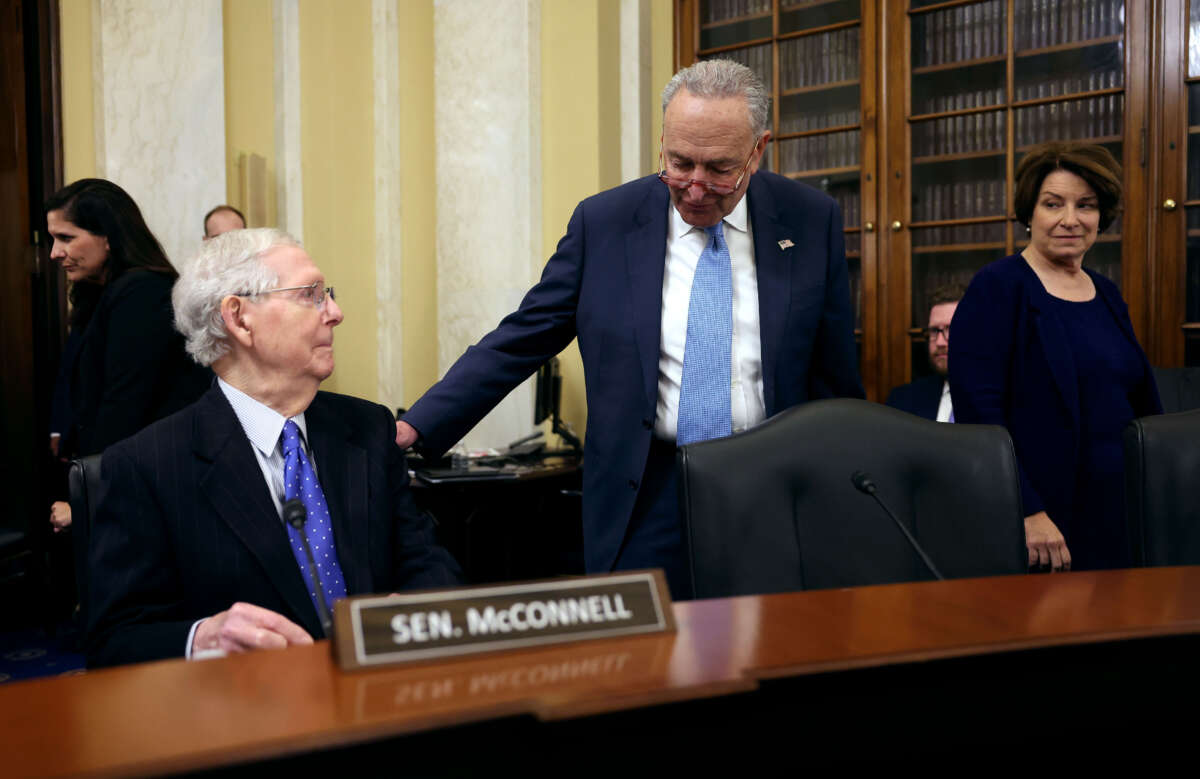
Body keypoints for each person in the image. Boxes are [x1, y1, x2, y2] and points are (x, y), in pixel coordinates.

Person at [396, 60, 863, 596]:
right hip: (646, 491)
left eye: (719, 169)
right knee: (647, 663)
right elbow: (523, 336)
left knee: (768, 658)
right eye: (679, 162)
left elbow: (834, 376)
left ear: (758, 150)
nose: (694, 188)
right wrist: (420, 424)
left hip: (772, 489)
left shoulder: (809, 220)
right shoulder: (605, 223)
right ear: (662, 140)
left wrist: (842, 504)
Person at [85, 229, 462, 668]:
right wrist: (202, 637)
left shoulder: (367, 428)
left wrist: (418, 607)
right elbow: (114, 640)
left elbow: (427, 560)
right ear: (240, 318)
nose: (336, 313)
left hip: (383, 698)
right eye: (312, 295)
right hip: (251, 715)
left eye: (329, 295)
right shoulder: (145, 465)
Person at [949, 141, 1161, 573]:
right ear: (1030, 212)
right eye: (1053, 204)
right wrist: (1026, 510)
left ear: (1101, 217)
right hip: (1046, 522)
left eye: (1085, 205)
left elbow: (1139, 400)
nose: (1070, 219)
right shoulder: (998, 287)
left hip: (1122, 511)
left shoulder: (1107, 294)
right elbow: (979, 413)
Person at [45, 179, 211, 533]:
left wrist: (91, 495)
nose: (54, 253)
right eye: (53, 239)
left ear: (108, 235)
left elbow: (126, 405)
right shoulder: (103, 294)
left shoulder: (142, 291)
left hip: (145, 491)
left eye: (66, 238)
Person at [885, 283, 964, 422]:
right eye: (934, 331)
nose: (940, 342)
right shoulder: (902, 401)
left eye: (950, 329)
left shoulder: (1004, 399)